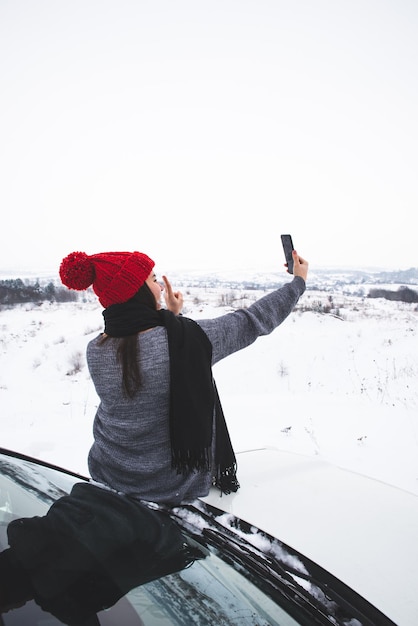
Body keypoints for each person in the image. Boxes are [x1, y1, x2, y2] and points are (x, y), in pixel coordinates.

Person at [59, 249, 308, 507]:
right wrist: (298, 283)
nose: (159, 287)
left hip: (110, 471)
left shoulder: (96, 349)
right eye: (153, 280)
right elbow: (251, 320)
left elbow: (150, 365)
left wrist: (171, 317)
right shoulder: (189, 340)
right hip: (168, 484)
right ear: (137, 291)